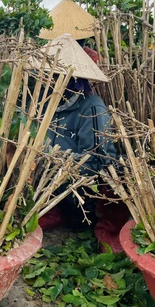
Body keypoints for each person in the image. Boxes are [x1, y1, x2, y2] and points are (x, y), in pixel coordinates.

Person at [36, 34, 117, 231]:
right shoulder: (41, 102)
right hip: (41, 191)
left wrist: (58, 166)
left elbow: (100, 161)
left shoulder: (92, 108)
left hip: (76, 196)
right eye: (51, 74)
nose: (52, 79)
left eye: (57, 75)